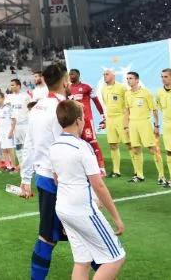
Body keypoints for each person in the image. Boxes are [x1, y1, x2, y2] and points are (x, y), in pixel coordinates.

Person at [50, 100, 126, 280]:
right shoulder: (82, 147)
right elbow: (98, 184)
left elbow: (57, 179)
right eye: (83, 117)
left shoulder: (54, 146)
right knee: (116, 258)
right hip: (82, 210)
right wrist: (116, 218)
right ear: (78, 121)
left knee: (82, 260)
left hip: (63, 208)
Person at [19, 62, 70, 280]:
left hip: (44, 178)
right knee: (81, 232)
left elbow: (29, 144)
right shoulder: (63, 108)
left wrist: (25, 178)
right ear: (65, 81)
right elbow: (65, 145)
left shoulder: (38, 107)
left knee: (49, 235)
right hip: (61, 180)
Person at [124, 71, 165, 184]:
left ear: (137, 80)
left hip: (144, 123)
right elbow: (127, 110)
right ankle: (139, 175)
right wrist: (126, 126)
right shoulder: (127, 94)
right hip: (133, 124)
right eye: (127, 78)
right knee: (135, 149)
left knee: (152, 149)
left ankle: (161, 176)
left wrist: (156, 125)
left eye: (131, 78)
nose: (128, 80)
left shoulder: (146, 93)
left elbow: (154, 109)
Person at [68, 68, 105, 175]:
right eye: (70, 75)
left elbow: (96, 101)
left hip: (87, 120)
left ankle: (101, 168)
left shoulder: (86, 87)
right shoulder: (67, 89)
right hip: (73, 121)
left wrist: (102, 115)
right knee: (75, 144)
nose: (71, 76)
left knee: (92, 142)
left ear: (78, 75)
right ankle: (79, 168)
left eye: (73, 74)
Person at [99, 68, 129, 178]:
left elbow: (127, 105)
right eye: (104, 74)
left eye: (107, 74)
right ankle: (116, 171)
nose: (104, 76)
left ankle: (137, 171)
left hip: (121, 117)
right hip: (110, 119)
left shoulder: (122, 88)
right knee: (113, 145)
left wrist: (127, 121)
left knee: (129, 144)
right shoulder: (103, 89)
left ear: (113, 76)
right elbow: (106, 104)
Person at [0, 92, 17, 172]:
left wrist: (11, 131)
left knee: (10, 149)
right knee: (4, 150)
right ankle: (8, 166)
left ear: (3, 99)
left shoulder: (8, 108)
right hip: (1, 132)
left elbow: (14, 121)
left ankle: (13, 167)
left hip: (8, 131)